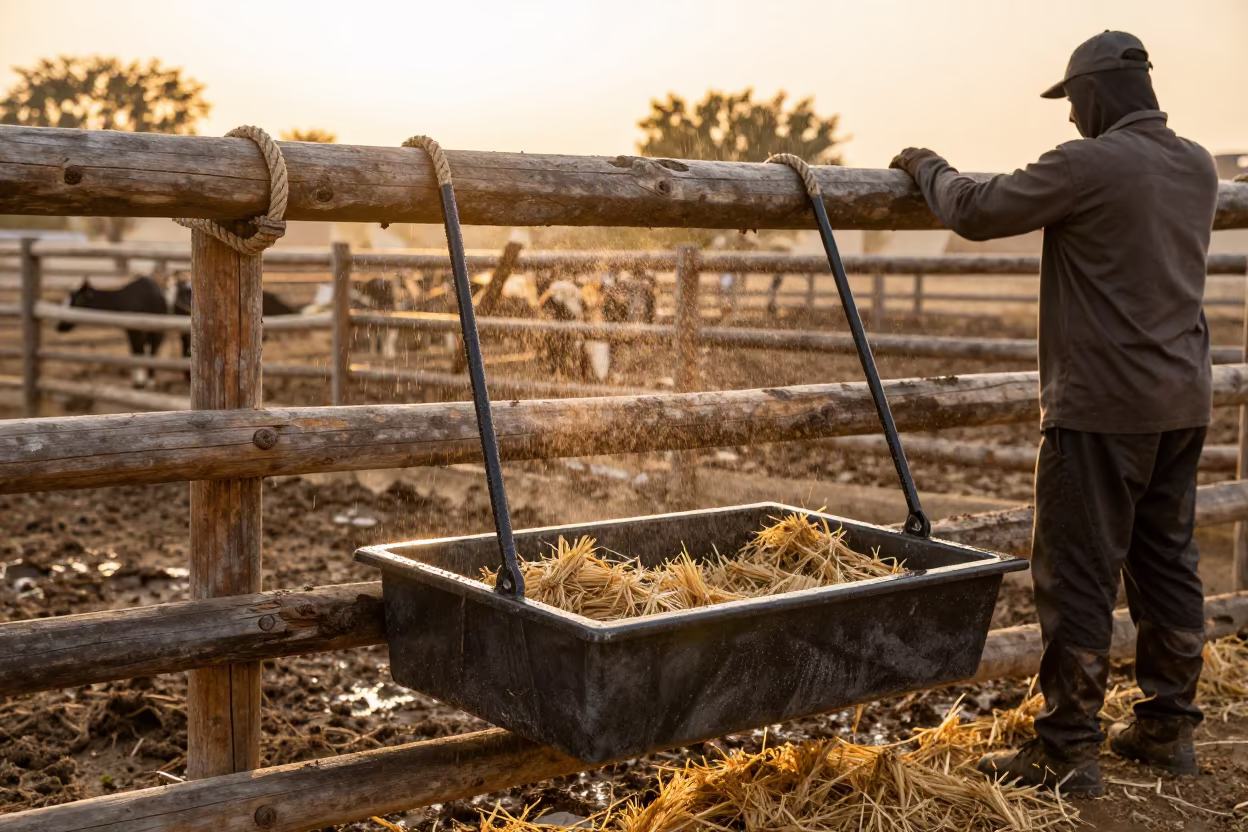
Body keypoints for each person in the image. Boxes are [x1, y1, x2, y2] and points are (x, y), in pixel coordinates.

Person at [890, 31, 1219, 797]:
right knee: (1166, 560)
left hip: (1100, 405)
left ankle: (1068, 748)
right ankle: (1168, 728)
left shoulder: (1089, 164)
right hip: (1181, 398)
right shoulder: (1197, 164)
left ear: (1097, 91)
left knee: (1075, 571)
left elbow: (973, 211)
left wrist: (923, 164)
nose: (1069, 118)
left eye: (1071, 100)